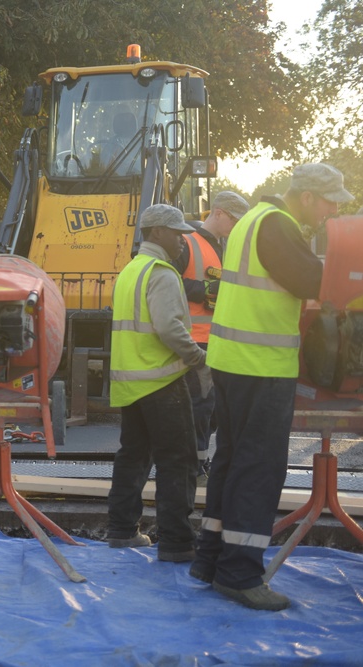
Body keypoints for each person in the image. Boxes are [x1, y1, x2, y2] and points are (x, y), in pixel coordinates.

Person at [191, 163, 354, 611]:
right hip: (259, 366)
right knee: (258, 468)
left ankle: (210, 560)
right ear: (306, 197)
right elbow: (314, 282)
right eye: (329, 202)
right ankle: (240, 574)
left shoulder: (253, 221)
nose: (331, 211)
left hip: (231, 362)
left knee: (230, 460)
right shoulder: (279, 227)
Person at [107, 204, 211, 562]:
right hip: (162, 382)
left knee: (133, 456)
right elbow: (169, 329)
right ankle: (178, 544)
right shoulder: (162, 273)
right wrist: (198, 358)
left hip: (131, 382)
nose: (183, 239)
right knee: (178, 461)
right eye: (176, 232)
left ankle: (121, 531)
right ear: (155, 233)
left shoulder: (131, 270)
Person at [170, 191, 251, 483]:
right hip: (194, 339)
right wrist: (202, 291)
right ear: (217, 213)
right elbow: (166, 280)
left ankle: (198, 463)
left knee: (212, 407)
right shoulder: (188, 243)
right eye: (234, 219)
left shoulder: (225, 247)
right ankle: (193, 468)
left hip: (217, 340)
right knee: (200, 405)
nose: (236, 225)